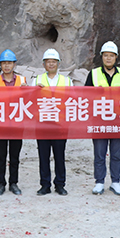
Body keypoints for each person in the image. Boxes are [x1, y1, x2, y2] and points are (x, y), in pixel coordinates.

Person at [85, 41, 120, 196]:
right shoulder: (93, 74)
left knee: (116, 153)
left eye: (111, 55)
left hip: (118, 119)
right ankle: (99, 182)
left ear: (116, 57)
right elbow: (84, 96)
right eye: (106, 55)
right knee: (100, 153)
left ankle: (115, 182)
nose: (108, 58)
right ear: (102, 57)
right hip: (99, 119)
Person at [34, 48, 71, 196]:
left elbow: (73, 100)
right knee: (43, 156)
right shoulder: (36, 80)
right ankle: (45, 185)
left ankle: (60, 184)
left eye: (54, 61)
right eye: (48, 62)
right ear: (43, 64)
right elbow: (29, 100)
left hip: (60, 125)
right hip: (42, 124)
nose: (51, 64)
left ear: (58, 63)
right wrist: (33, 90)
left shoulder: (66, 81)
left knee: (59, 156)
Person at [0, 49, 26, 196]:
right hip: (0, 124)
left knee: (14, 157)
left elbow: (29, 100)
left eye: (9, 63)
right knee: (1, 156)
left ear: (14, 64)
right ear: (0, 65)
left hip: (17, 124)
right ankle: (0, 184)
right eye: (4, 63)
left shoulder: (22, 81)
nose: (6, 66)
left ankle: (13, 183)